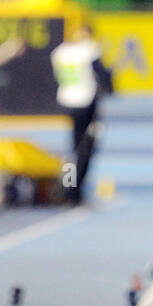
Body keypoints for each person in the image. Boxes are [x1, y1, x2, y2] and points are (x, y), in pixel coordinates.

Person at [50, 23, 114, 204]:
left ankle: (69, 187)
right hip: (87, 103)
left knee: (74, 149)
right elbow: (103, 77)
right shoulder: (89, 51)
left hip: (68, 101)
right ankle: (74, 191)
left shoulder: (61, 52)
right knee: (85, 149)